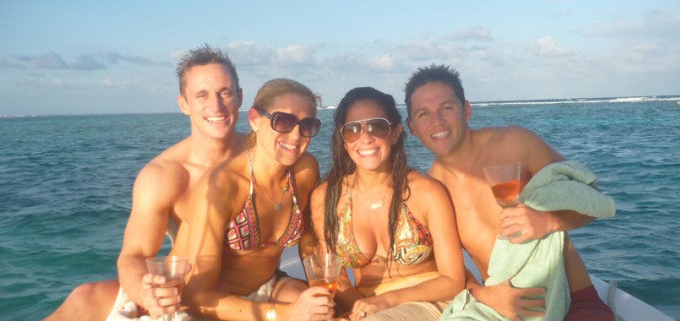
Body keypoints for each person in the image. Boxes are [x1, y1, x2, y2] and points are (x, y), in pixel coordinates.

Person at [45, 45, 246, 321]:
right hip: (183, 293)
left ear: (240, 97)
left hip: (242, 290)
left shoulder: (261, 155)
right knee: (84, 298)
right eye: (202, 95)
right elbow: (134, 256)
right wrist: (146, 292)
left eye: (225, 92)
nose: (216, 106)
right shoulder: (164, 175)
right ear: (184, 104)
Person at [403, 64, 615, 321]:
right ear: (412, 126)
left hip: (571, 299)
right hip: (499, 309)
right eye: (423, 114)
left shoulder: (514, 143)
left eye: (447, 108)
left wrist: (548, 221)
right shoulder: (431, 189)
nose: (437, 122)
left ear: (466, 110)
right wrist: (484, 294)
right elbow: (449, 271)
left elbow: (591, 198)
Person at [171, 78, 332, 320]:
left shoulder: (305, 170)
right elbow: (196, 296)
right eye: (284, 121)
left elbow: (308, 241)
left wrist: (320, 291)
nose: (296, 134)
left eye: (307, 125)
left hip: (269, 287)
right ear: (255, 119)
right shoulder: (222, 186)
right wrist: (285, 313)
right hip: (215, 304)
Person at [308, 87, 465, 321]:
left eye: (376, 126)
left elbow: (453, 280)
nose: (365, 137)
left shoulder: (427, 193)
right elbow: (337, 280)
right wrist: (360, 309)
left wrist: (386, 302)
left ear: (395, 133)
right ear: (343, 140)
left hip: (429, 301)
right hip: (366, 306)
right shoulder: (326, 198)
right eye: (352, 129)